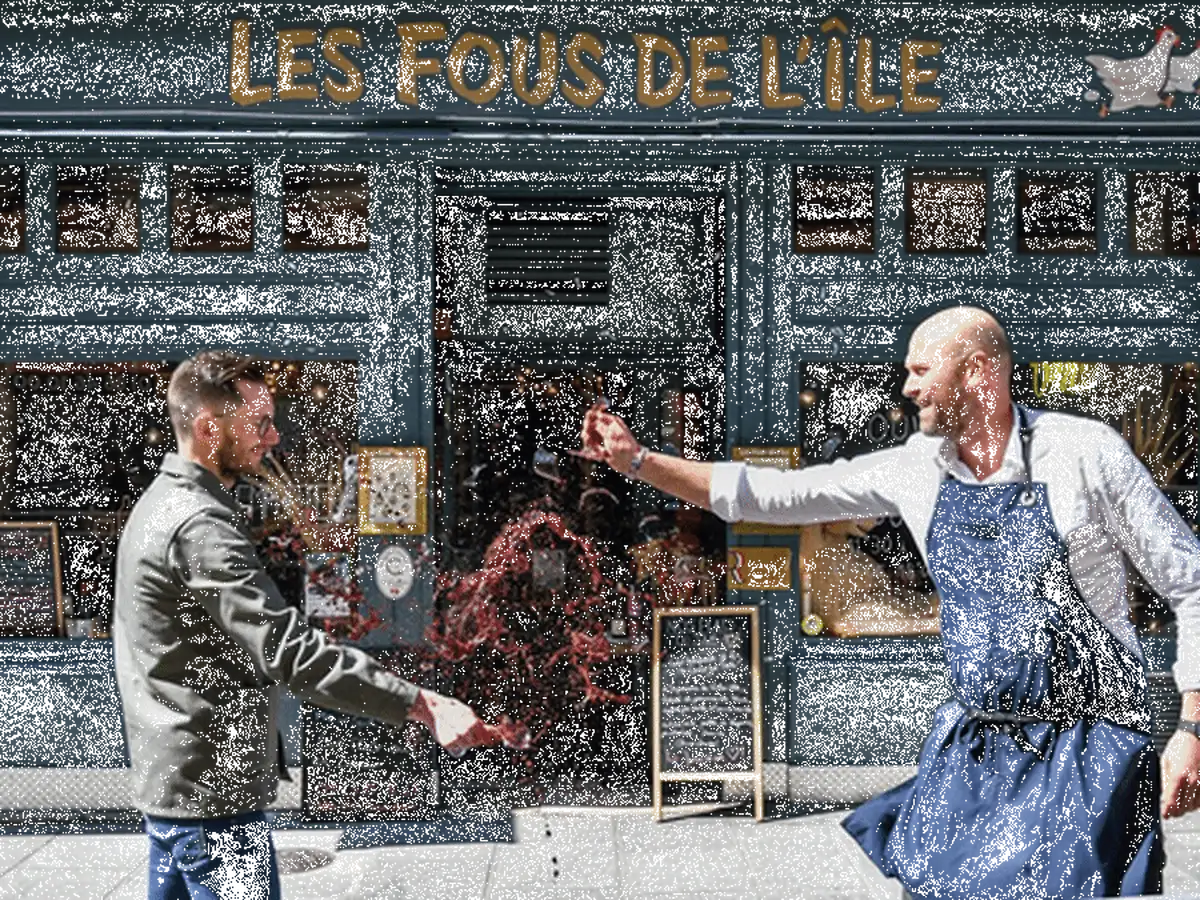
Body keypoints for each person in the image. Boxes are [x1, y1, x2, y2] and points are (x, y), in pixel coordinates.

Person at [580, 306, 1200, 899]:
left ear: (976, 370)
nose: (905, 386)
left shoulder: (1086, 455)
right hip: (979, 749)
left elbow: (1191, 583)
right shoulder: (917, 470)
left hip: (1086, 747)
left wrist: (1193, 727)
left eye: (920, 369)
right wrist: (638, 462)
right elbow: (770, 496)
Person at [114, 350, 512, 900]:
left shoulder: (159, 503)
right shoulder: (199, 526)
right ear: (207, 428)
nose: (273, 439)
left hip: (174, 786)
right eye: (261, 423)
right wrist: (419, 702)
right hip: (214, 801)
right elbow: (291, 652)